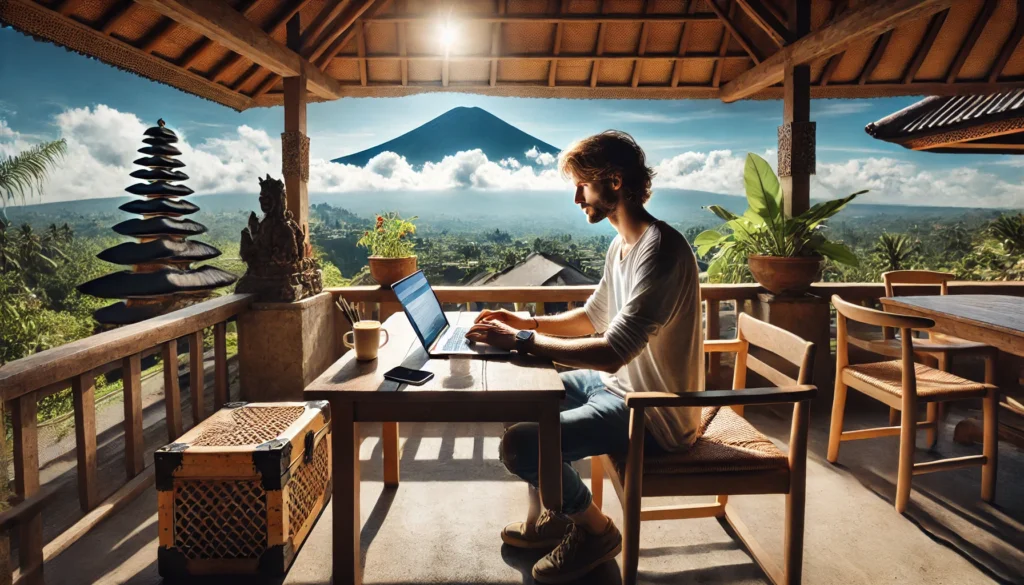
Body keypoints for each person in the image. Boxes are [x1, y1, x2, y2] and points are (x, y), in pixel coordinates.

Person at [465, 130, 704, 583]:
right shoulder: (623, 245)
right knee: (521, 396)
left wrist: (520, 342)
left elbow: (613, 350)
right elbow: (594, 316)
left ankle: (594, 530)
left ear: (614, 181)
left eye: (583, 185)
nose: (577, 198)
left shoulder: (661, 251)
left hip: (651, 412)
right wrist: (523, 323)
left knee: (521, 445)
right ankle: (556, 515)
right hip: (616, 388)